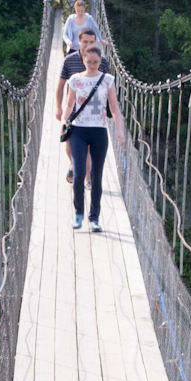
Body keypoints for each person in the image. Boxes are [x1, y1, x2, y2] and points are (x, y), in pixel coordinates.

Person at [63, 34, 124, 231]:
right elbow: (70, 104)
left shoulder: (107, 80)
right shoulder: (75, 80)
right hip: (78, 132)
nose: (92, 65)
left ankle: (94, 218)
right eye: (89, 62)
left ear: (101, 62)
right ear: (83, 60)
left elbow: (114, 108)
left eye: (96, 62)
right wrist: (64, 121)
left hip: (99, 132)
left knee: (96, 176)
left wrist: (120, 131)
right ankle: (79, 214)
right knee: (80, 173)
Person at [57, 22, 109, 184]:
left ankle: (87, 180)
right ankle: (74, 163)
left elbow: (109, 87)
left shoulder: (103, 62)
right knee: (68, 143)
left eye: (91, 42)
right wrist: (59, 108)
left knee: (86, 148)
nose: (88, 45)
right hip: (72, 109)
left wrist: (110, 109)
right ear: (78, 41)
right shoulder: (69, 61)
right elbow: (60, 85)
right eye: (85, 41)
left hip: (93, 112)